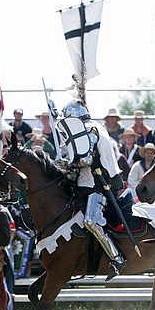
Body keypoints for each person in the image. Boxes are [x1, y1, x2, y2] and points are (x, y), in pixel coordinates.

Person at [56, 99, 125, 280]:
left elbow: (85, 160)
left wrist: (64, 164)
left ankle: (116, 257)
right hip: (87, 184)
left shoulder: (90, 130)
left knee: (91, 222)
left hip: (100, 185)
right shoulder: (86, 129)